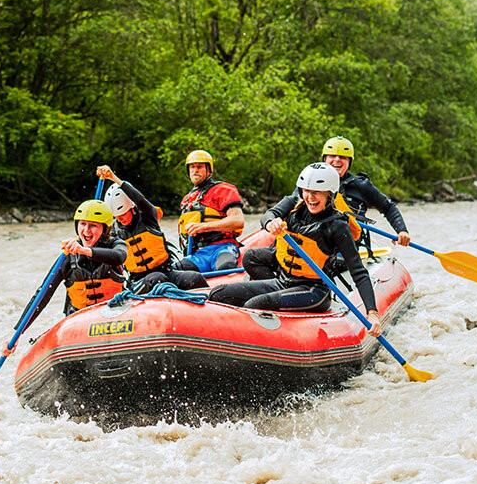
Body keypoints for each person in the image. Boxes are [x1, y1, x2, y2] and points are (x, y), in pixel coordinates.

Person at [209, 163, 381, 336]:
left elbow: (358, 271)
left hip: (313, 290)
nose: (310, 197)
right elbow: (268, 215)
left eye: (316, 192)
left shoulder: (338, 226)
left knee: (255, 304)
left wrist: (372, 313)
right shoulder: (293, 204)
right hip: (283, 282)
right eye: (306, 191)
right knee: (219, 293)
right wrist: (271, 222)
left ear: (330, 193)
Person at [244, 135, 411, 278]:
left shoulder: (361, 186)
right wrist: (272, 221)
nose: (336, 160)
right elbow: (284, 209)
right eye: (332, 156)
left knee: (334, 261)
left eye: (342, 158)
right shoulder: (309, 182)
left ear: (349, 162)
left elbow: (388, 207)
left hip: (340, 247)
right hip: (306, 242)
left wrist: (401, 231)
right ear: (324, 159)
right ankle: (277, 282)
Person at [97, 165, 208, 293]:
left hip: (166, 272)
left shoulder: (148, 217)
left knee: (194, 278)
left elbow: (140, 200)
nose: (120, 219)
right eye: (117, 217)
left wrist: (113, 178)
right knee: (157, 279)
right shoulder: (113, 233)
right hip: (139, 282)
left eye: (123, 214)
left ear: (132, 209)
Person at [175, 150, 246, 273]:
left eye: (200, 166)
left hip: (223, 248)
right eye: (192, 167)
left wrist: (204, 227)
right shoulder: (187, 199)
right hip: (198, 255)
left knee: (225, 265)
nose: (195, 170)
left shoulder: (223, 189)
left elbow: (238, 221)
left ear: (209, 170)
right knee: (176, 271)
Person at [59, 199, 128, 315]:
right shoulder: (68, 255)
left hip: (115, 313)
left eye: (93, 225)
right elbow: (42, 296)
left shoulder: (116, 244)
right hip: (81, 319)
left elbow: (119, 257)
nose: (86, 231)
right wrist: (19, 330)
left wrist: (84, 251)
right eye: (82, 224)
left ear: (105, 229)